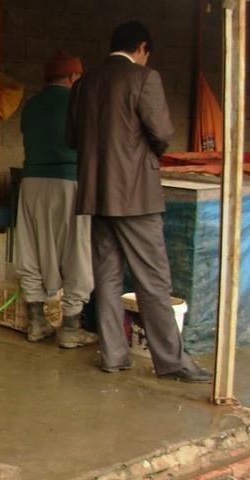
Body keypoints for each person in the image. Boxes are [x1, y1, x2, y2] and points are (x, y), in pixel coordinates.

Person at [67, 21, 212, 383]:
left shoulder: (85, 83)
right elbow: (162, 133)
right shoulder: (144, 78)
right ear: (142, 47)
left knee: (108, 277)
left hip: (97, 195)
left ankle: (113, 355)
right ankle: (172, 361)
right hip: (136, 196)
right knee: (153, 280)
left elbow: (72, 137)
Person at [14, 50, 98, 349]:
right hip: (69, 182)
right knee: (76, 251)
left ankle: (37, 321)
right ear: (74, 77)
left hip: (31, 183)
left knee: (30, 250)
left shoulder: (32, 105)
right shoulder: (79, 103)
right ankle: (71, 326)